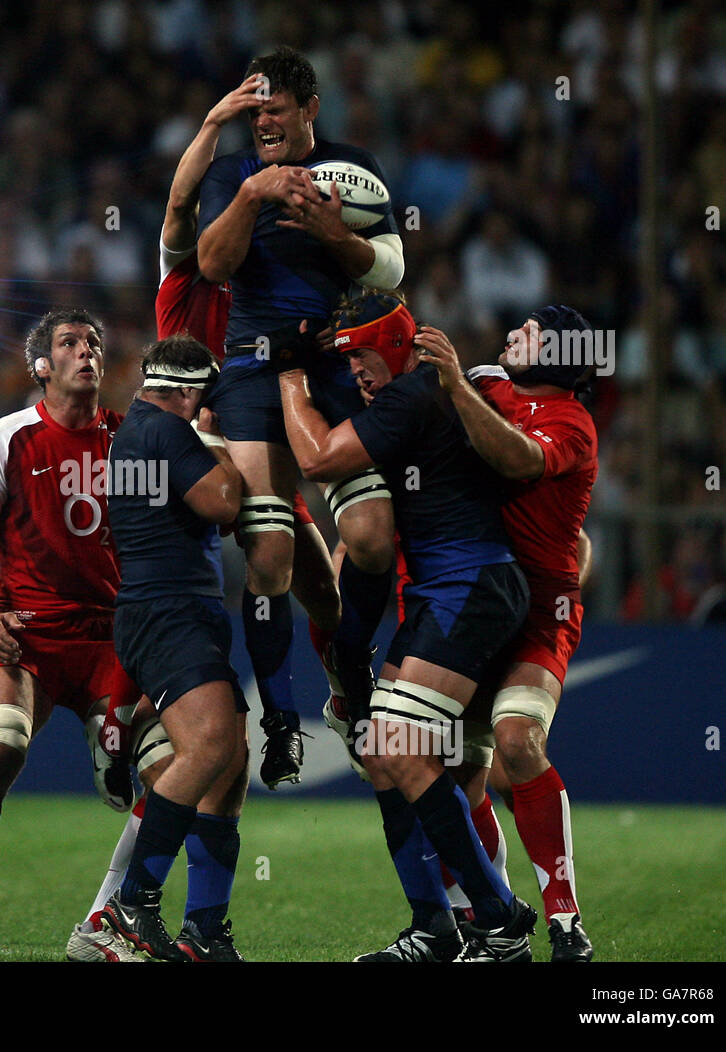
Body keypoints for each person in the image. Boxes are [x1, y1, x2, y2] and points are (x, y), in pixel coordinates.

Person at [278, 289, 538, 962]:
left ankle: (499, 916)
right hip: (444, 588)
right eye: (348, 359)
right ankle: (432, 925)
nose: (357, 370)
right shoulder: (414, 394)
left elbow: (318, 459)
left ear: (394, 343)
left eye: (363, 353)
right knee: (381, 753)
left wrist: (288, 381)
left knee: (394, 746)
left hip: (471, 583)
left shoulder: (412, 395)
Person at [0, 308, 172, 963]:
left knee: (175, 775)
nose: (87, 351)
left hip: (114, 644)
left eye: (94, 341)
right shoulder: (5, 439)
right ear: (41, 366)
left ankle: (101, 921)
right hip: (27, 638)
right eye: (70, 343)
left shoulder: (132, 441)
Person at [195, 47, 404, 774]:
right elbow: (213, 265)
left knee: (374, 540)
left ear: (309, 109)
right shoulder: (235, 175)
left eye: (274, 111)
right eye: (254, 114)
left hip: (337, 363)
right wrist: (253, 198)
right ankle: (280, 723)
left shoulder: (355, 168)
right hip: (255, 364)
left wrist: (332, 233)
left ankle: (350, 678)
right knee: (271, 552)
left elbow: (392, 269)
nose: (263, 125)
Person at [413, 306, 600, 962]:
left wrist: (457, 386)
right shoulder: (488, 381)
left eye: (530, 331)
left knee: (519, 740)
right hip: (474, 604)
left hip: (540, 614)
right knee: (450, 776)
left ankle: (565, 921)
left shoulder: (572, 423)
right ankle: (492, 924)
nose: (513, 335)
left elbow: (518, 460)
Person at [100, 334, 248, 962]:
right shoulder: (165, 430)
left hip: (166, 609)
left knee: (229, 760)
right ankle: (130, 903)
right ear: (189, 391)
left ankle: (205, 930)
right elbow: (223, 503)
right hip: (169, 611)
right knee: (212, 743)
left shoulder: (138, 431)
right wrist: (217, 443)